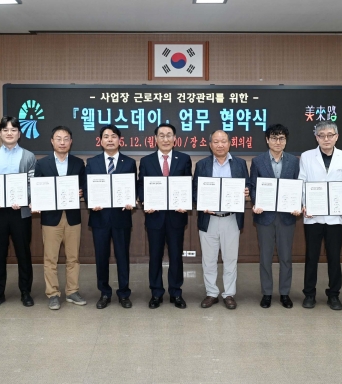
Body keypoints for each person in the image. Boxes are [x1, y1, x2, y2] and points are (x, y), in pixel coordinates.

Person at [299, 121, 342, 310]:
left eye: (330, 135)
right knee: (311, 256)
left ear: (336, 137)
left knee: (334, 256)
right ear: (316, 137)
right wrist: (304, 204)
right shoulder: (307, 156)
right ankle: (309, 294)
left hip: (335, 216)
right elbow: (302, 182)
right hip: (313, 216)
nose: (326, 139)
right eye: (321, 135)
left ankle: (334, 294)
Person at [0, 116, 37, 308]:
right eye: (5, 130)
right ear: (0, 133)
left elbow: (32, 184)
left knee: (23, 253)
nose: (9, 133)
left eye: (13, 130)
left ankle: (25, 292)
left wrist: (23, 199)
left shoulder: (28, 156)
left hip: (20, 212)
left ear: (19, 134)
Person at [137, 123, 192, 309]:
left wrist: (186, 202)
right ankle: (156, 293)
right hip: (155, 216)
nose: (166, 139)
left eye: (169, 135)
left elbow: (188, 184)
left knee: (176, 256)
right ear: (155, 139)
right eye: (162, 135)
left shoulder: (184, 159)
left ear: (175, 139)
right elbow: (141, 185)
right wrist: (145, 201)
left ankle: (176, 293)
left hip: (177, 216)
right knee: (155, 256)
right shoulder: (146, 161)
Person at [193, 130, 249, 310]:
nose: (220, 145)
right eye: (216, 142)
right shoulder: (202, 164)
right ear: (210, 145)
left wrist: (246, 191)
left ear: (229, 143)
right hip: (208, 218)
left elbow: (248, 185)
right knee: (208, 259)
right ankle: (211, 293)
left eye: (223, 141)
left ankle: (229, 294)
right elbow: (194, 190)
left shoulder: (240, 163)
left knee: (230, 258)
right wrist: (201, 203)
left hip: (231, 218)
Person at [34, 126, 87, 310]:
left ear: (71, 142)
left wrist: (81, 192)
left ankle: (72, 291)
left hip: (72, 217)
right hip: (51, 218)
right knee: (50, 259)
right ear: (52, 141)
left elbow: (84, 186)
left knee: (73, 258)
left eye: (66, 139)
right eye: (58, 139)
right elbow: (37, 188)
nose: (62, 142)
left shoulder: (78, 163)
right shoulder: (42, 164)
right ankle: (53, 294)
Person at [85, 124, 137, 309]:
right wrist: (91, 201)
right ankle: (104, 293)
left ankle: (124, 293)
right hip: (99, 217)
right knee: (101, 257)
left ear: (119, 140)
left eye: (113, 136)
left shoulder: (129, 163)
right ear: (100, 141)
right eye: (106, 136)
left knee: (122, 256)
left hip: (121, 217)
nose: (110, 139)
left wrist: (132, 200)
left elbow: (133, 187)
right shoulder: (92, 162)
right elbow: (88, 188)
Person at [249, 124, 301, 309]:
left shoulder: (294, 161)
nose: (278, 142)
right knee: (265, 256)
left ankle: (285, 293)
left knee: (286, 256)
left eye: (281, 138)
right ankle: (267, 293)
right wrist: (256, 202)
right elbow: (253, 186)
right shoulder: (258, 161)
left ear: (286, 141)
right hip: (265, 216)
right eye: (274, 138)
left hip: (287, 216)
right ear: (267, 140)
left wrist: (297, 205)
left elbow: (299, 185)